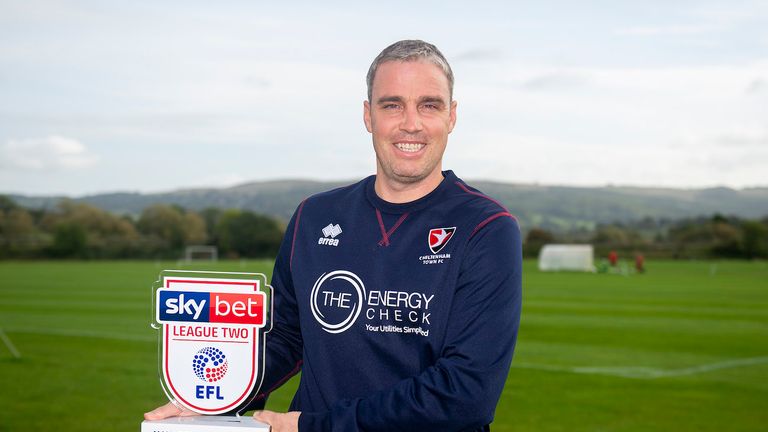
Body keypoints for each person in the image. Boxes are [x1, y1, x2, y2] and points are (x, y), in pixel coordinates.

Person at [145, 39, 522, 432]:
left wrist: (320, 426)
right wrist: (213, 400)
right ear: (368, 116)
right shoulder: (315, 215)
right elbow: (284, 338)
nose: (411, 122)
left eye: (429, 105)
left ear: (452, 116)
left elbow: (465, 395)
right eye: (392, 104)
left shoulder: (486, 227)